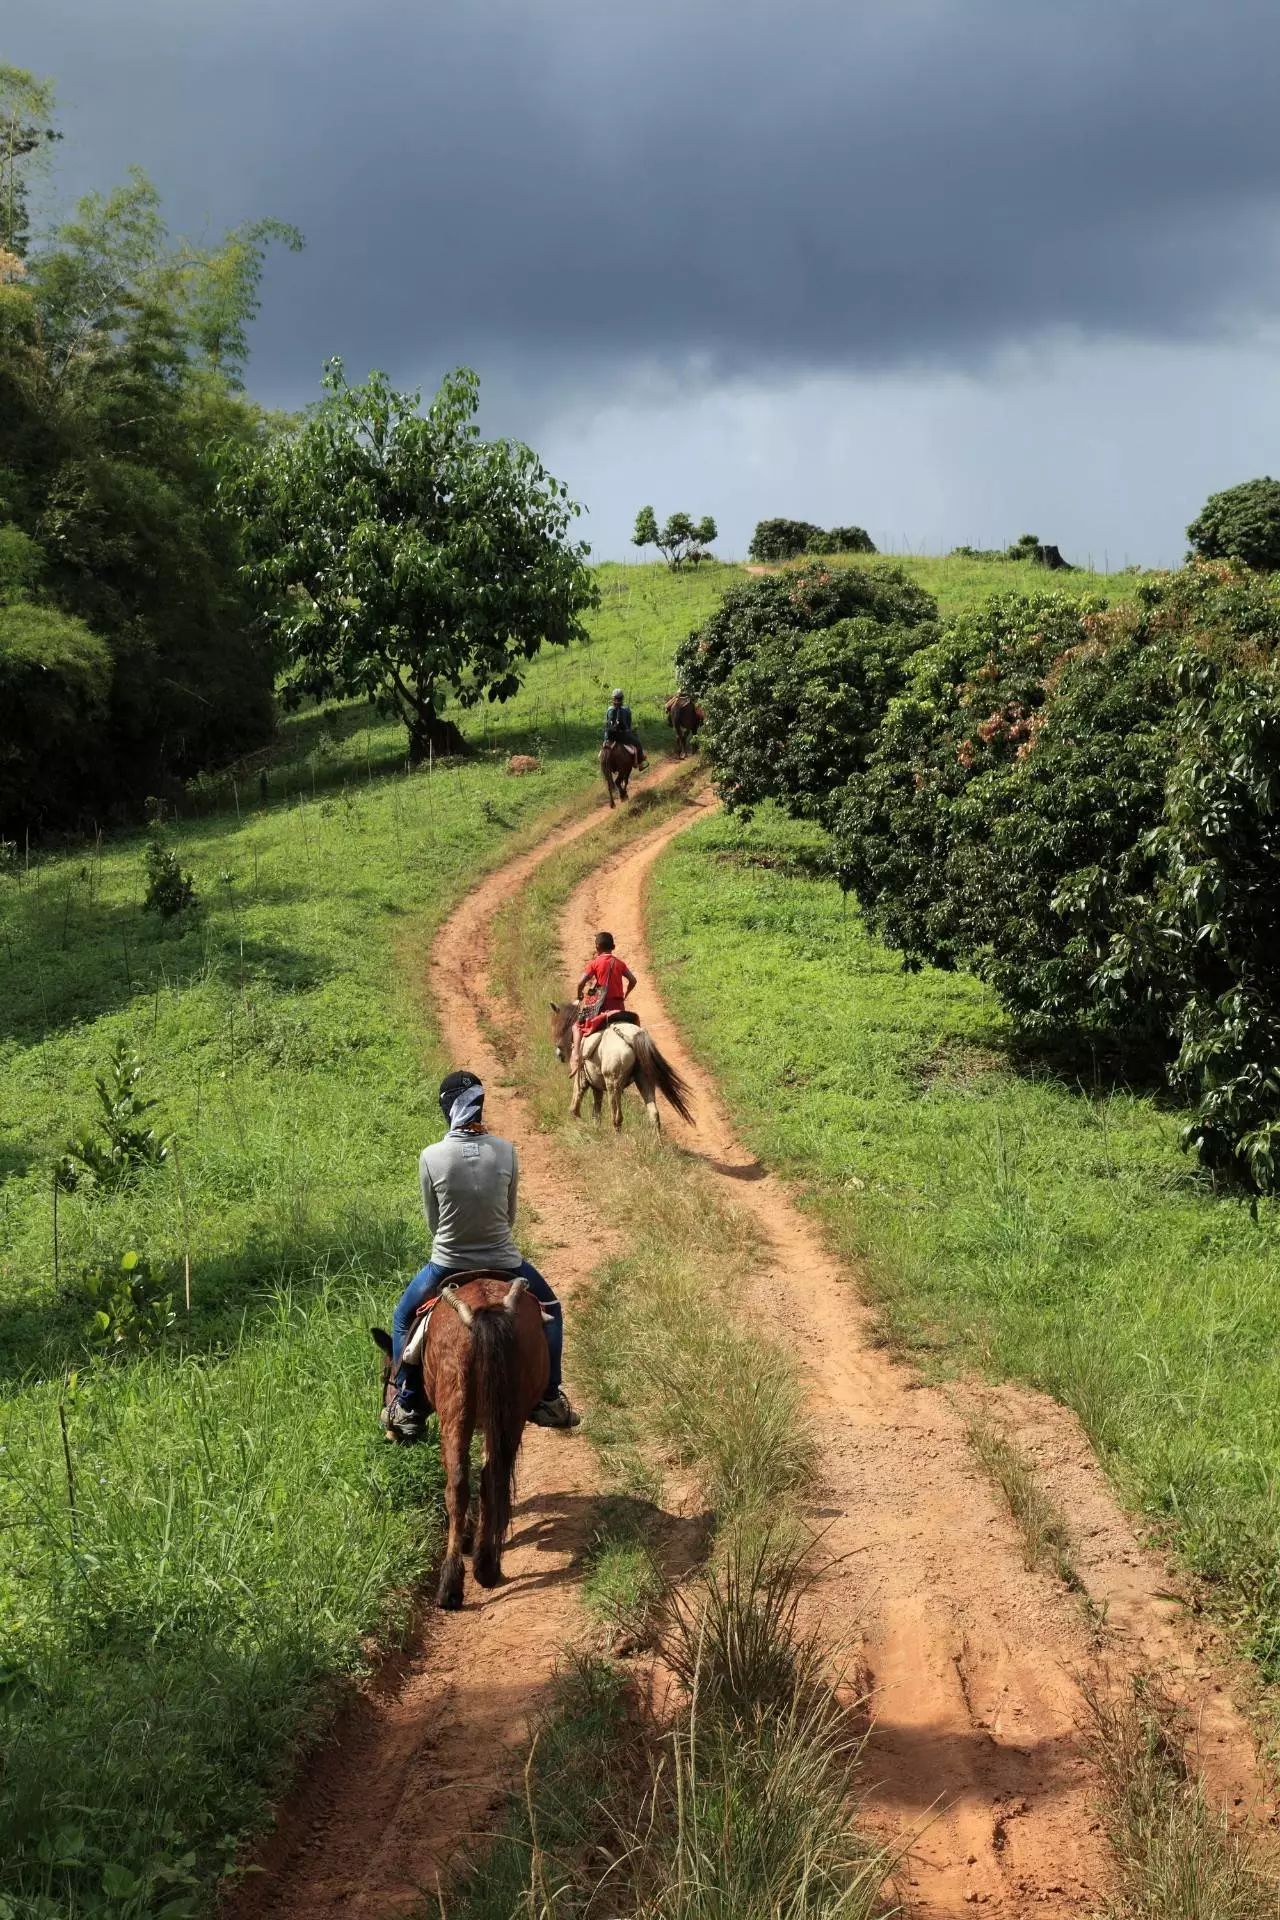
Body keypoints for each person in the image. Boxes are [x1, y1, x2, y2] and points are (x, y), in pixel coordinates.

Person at [384, 1070, 580, 1442]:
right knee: (552, 1309)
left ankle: (407, 1402)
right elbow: (509, 1215)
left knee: (402, 1316)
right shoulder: (506, 1150)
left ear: (447, 1109)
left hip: (447, 1263)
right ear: (479, 1105)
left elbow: (433, 1221)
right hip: (504, 1261)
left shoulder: (431, 1157)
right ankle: (550, 1397)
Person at [569, 931, 637, 1078]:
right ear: (612, 947)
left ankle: (575, 1056)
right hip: (619, 1008)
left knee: (577, 1026)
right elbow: (633, 980)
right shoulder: (620, 963)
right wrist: (625, 994)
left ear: (598, 947)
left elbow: (581, 982)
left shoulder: (595, 963)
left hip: (601, 1008)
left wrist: (579, 994)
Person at [603, 689, 646, 769]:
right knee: (637, 743)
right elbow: (628, 725)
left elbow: (606, 723)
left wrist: (606, 738)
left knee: (604, 746)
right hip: (622, 736)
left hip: (610, 736)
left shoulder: (609, 709)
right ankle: (640, 763)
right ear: (622, 698)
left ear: (613, 698)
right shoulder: (626, 710)